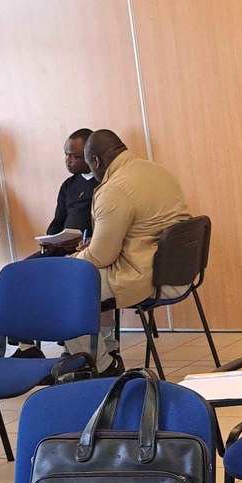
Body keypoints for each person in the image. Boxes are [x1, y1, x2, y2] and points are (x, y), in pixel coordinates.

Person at [67, 129, 189, 374]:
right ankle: (107, 350)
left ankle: (101, 366)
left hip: (149, 276)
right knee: (92, 278)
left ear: (96, 161)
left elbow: (101, 256)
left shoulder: (113, 189)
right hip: (178, 270)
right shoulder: (156, 170)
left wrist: (71, 260)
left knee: (68, 287)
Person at [40, 128, 97, 256]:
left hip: (87, 250)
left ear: (91, 155)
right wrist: (50, 240)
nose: (68, 160)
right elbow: (58, 221)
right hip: (61, 249)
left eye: (75, 157)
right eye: (66, 154)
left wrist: (88, 240)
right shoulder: (68, 185)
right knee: (24, 266)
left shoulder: (105, 182)